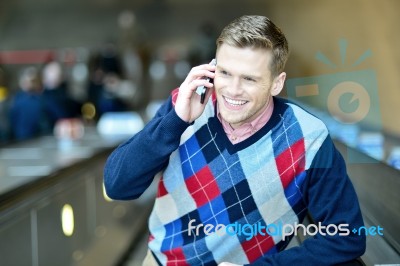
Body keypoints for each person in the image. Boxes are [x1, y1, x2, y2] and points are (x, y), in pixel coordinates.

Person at [104, 15, 366, 265]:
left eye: (249, 79)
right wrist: (176, 121)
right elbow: (117, 186)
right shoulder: (182, 106)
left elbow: (346, 237)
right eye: (225, 73)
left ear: (277, 83)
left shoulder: (309, 138)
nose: (233, 89)